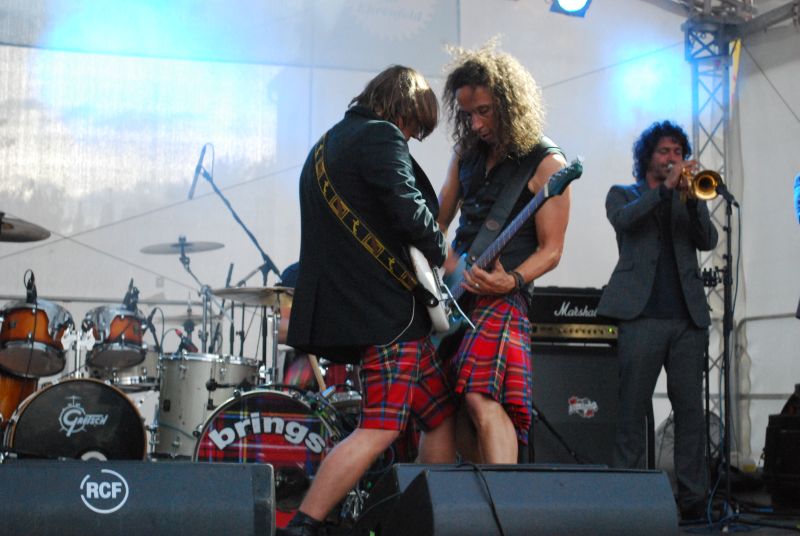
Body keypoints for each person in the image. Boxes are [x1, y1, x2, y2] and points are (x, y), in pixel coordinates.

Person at [281, 65, 456, 536]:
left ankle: (424, 523)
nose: (412, 137)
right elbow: (409, 211)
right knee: (379, 427)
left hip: (366, 313)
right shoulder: (381, 136)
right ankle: (303, 524)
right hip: (389, 316)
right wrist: (439, 247)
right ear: (403, 110)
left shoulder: (328, 144)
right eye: (415, 127)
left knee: (440, 417)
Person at [437, 42, 571, 464]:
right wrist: (444, 265)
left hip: (504, 296)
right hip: (456, 295)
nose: (475, 124)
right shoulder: (466, 155)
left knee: (481, 397)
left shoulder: (546, 163)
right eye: (467, 114)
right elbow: (438, 223)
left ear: (510, 105)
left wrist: (510, 280)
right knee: (453, 408)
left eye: (484, 111)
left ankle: (505, 497)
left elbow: (552, 250)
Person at [597, 120, 718, 520]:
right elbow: (625, 221)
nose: (672, 158)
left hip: (687, 320)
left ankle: (694, 501)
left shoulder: (687, 196)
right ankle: (625, 500)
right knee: (632, 410)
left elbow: (708, 240)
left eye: (678, 152)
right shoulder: (623, 194)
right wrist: (664, 190)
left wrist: (693, 200)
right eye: (664, 151)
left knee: (690, 413)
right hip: (640, 316)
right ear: (648, 157)